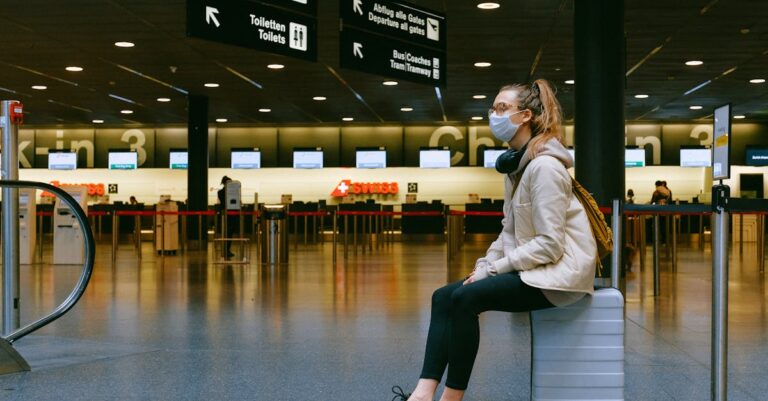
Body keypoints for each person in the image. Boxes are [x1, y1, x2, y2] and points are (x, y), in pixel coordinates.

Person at [393, 79, 597, 401]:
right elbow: (509, 231)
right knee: (443, 296)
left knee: (465, 299)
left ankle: (451, 398)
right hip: (534, 269)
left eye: (502, 108)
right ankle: (422, 393)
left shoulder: (544, 168)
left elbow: (550, 244)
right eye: (493, 109)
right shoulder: (517, 168)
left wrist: (495, 270)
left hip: (558, 276)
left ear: (525, 115)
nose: (494, 115)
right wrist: (485, 265)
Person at [217, 176, 238, 257]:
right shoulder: (221, 192)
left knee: (229, 233)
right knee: (227, 232)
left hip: (230, 214)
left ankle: (227, 250)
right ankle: (226, 250)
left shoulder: (223, 192)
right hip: (226, 214)